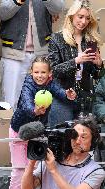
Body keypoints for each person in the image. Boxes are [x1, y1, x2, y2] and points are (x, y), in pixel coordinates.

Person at [9, 56, 76, 189]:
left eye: (43, 72)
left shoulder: (51, 83)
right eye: (36, 72)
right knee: (19, 169)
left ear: (49, 73)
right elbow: (26, 102)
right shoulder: (27, 84)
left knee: (35, 168)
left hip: (37, 131)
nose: (40, 76)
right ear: (31, 72)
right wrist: (34, 111)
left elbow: (59, 92)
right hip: (18, 131)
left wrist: (68, 95)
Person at [0, 0, 65, 110]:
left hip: (42, 54)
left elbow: (58, 8)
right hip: (13, 54)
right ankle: (10, 127)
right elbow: (1, 13)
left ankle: (38, 127)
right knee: (10, 102)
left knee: (42, 102)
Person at [48, 0, 103, 126]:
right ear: (72, 15)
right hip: (63, 96)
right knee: (63, 137)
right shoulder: (57, 38)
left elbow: (97, 76)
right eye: (80, 16)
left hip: (85, 99)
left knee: (84, 138)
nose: (83, 22)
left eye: (87, 18)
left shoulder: (90, 40)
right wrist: (76, 61)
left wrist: (99, 65)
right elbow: (53, 70)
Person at [21, 116, 105, 189]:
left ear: (93, 141)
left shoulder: (96, 171)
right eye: (74, 136)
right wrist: (32, 162)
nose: (77, 141)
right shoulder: (51, 160)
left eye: (83, 137)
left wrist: (53, 170)